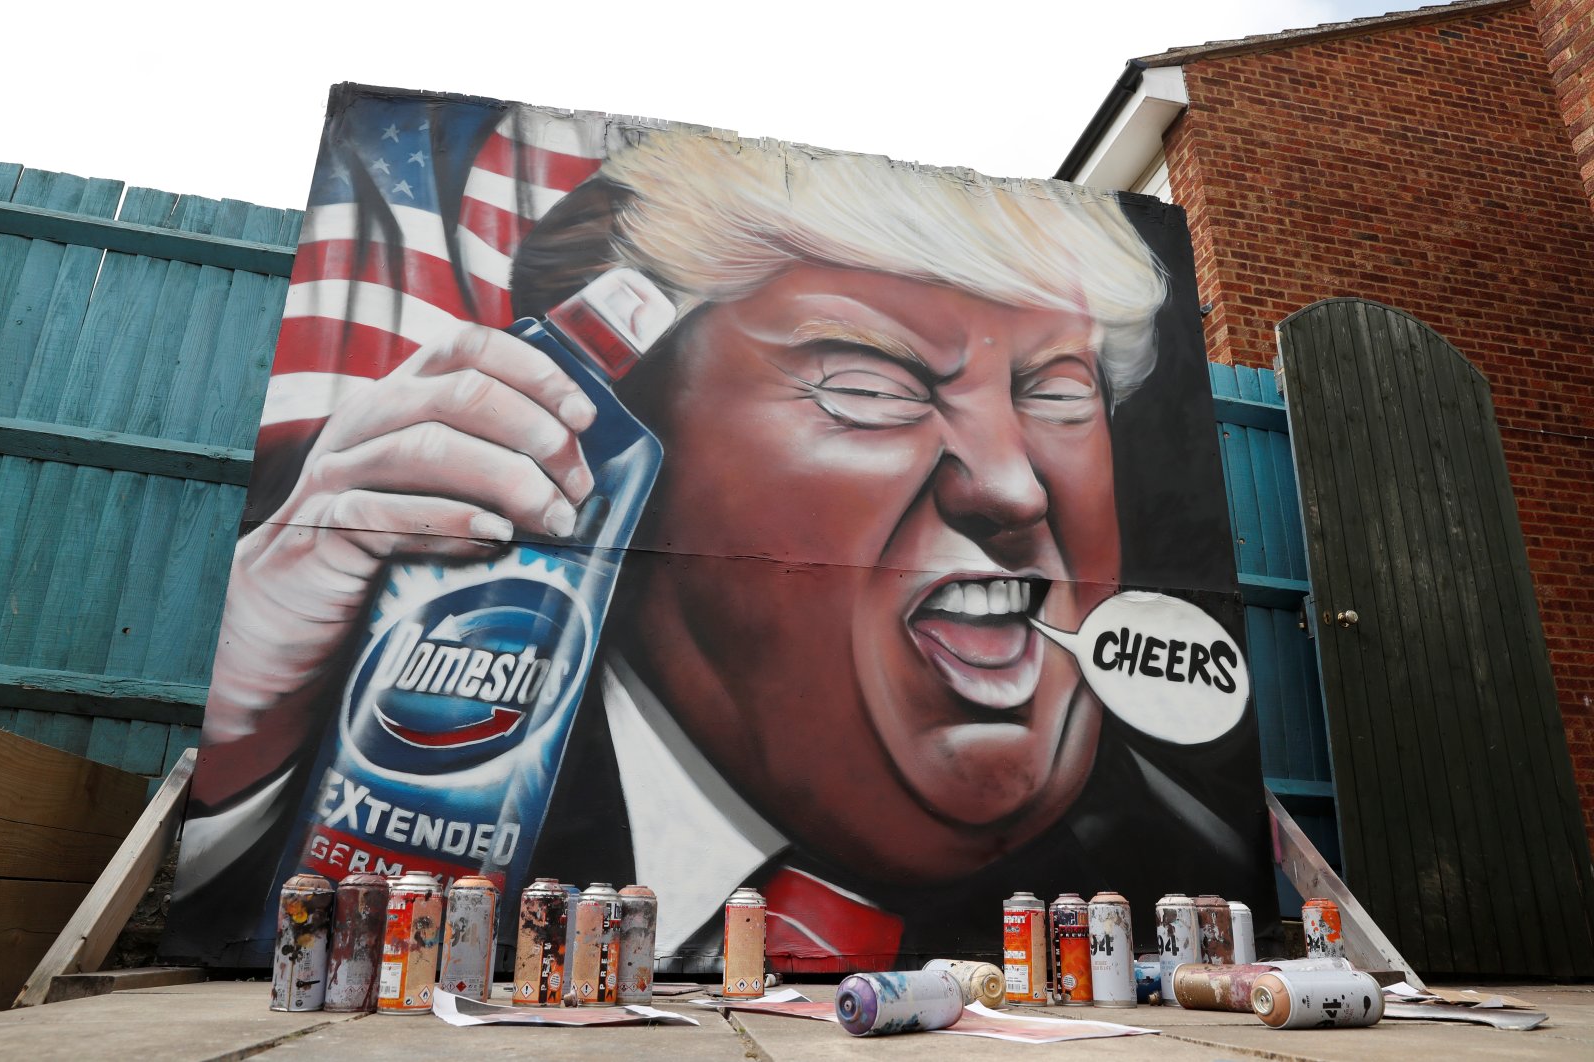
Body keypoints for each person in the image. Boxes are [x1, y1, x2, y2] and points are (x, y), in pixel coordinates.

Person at [172, 102, 1271, 969]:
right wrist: (260, 736)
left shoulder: (1195, 859)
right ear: (620, 433)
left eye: (1058, 390)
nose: (1010, 486)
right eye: (868, 381)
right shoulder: (414, 734)